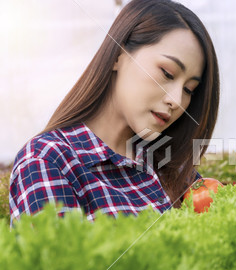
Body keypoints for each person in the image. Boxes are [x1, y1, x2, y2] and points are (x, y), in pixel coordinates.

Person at [9, 0, 220, 225]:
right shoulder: (47, 160)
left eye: (189, 89)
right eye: (167, 73)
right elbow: (60, 259)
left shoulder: (174, 168)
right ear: (118, 53)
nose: (177, 101)